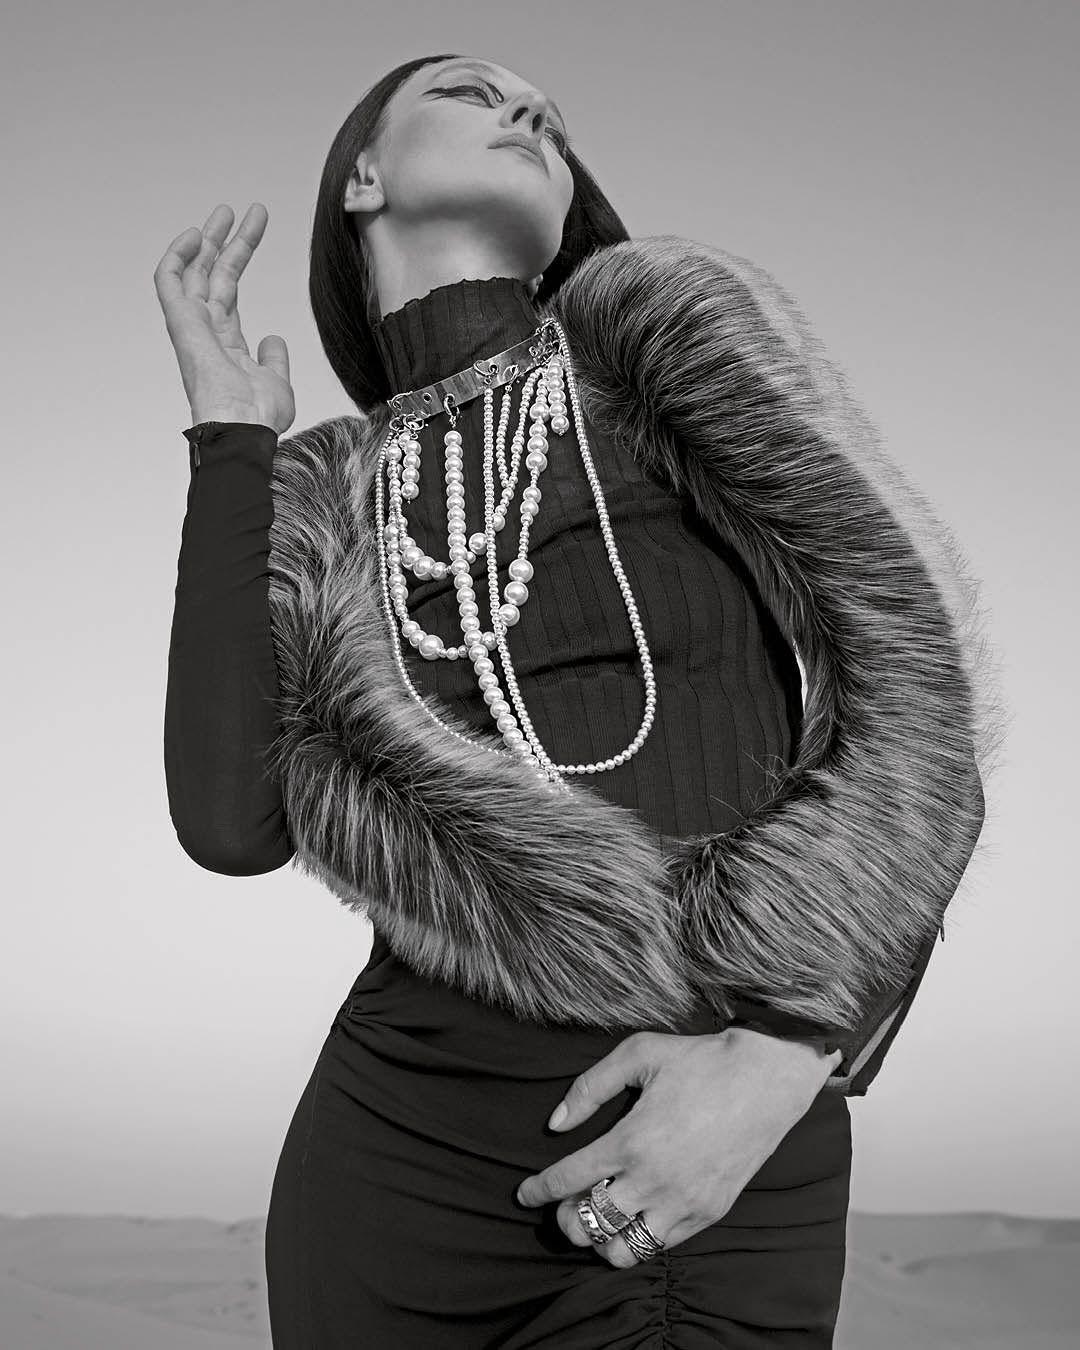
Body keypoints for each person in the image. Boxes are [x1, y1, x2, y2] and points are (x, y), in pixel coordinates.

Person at [155, 52, 1003, 1349]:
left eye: (543, 110)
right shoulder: (331, 486)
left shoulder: (662, 349)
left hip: (704, 1127)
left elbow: (911, 698)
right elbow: (230, 821)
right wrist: (233, 446)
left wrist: (790, 1052)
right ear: (364, 177)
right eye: (467, 90)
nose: (528, 108)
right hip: (397, 1154)